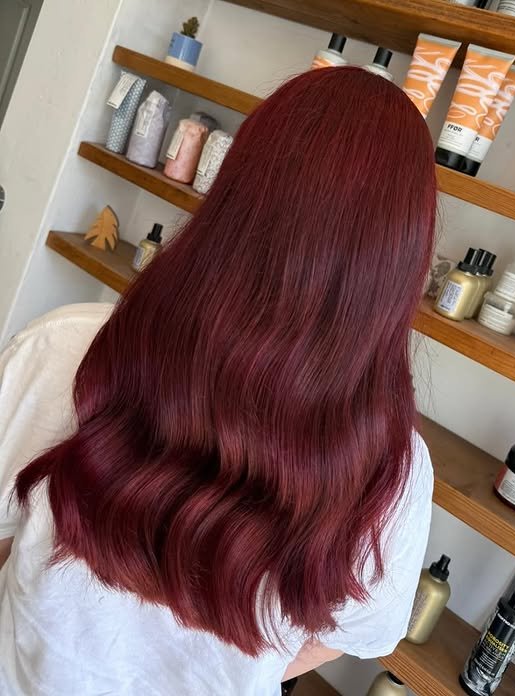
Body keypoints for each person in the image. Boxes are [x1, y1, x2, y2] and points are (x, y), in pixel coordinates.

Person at [0, 66, 437, 695]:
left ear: (233, 193)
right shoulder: (395, 471)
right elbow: (347, 634)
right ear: (400, 262)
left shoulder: (65, 348)